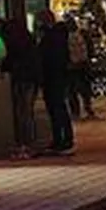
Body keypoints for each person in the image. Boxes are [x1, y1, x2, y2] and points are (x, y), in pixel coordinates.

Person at [0, 9, 40, 155]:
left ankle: (26, 143)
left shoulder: (15, 42)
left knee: (24, 112)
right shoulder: (26, 38)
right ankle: (29, 142)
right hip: (31, 78)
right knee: (27, 111)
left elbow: (12, 59)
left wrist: (4, 65)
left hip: (23, 78)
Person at [38, 12, 76, 152]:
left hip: (53, 76)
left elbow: (48, 56)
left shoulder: (51, 37)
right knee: (59, 108)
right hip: (58, 76)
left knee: (57, 108)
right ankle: (63, 139)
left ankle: (62, 140)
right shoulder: (59, 35)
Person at [67, 15, 96, 117]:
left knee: (72, 91)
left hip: (72, 67)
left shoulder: (65, 36)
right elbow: (90, 48)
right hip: (83, 65)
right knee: (84, 90)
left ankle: (76, 112)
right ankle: (87, 109)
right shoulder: (82, 34)